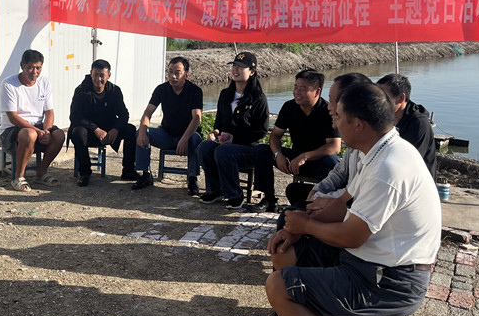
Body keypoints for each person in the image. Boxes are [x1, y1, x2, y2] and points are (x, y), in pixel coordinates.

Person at [263, 83, 441, 316]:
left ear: (358, 123)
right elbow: (343, 205)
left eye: (339, 116)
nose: (334, 122)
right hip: (370, 260)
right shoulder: (375, 152)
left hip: (391, 280)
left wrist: (306, 226)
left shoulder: (388, 167)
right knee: (285, 251)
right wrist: (297, 228)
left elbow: (351, 236)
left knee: (278, 285)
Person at [255, 72, 371, 316]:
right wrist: (316, 194)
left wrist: (321, 206)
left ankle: (292, 299)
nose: (331, 109)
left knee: (292, 217)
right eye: (295, 87)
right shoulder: (358, 145)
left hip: (359, 230)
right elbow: (341, 177)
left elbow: (349, 188)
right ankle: (289, 296)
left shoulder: (380, 155)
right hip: (340, 204)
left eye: (334, 101)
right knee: (294, 204)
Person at [251, 69, 341, 211]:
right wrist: (278, 155)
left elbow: (334, 147)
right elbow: (275, 136)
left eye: (303, 89)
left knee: (332, 161)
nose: (297, 92)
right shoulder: (289, 107)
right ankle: (269, 199)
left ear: (317, 92)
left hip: (318, 161)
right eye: (295, 87)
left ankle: (327, 203)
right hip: (294, 160)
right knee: (262, 150)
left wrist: (305, 156)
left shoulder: (327, 111)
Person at [196, 51, 269, 209]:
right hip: (225, 145)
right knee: (204, 147)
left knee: (223, 151)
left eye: (241, 67)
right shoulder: (225, 94)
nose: (235, 70)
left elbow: (261, 131)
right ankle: (215, 190)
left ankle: (235, 195)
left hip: (248, 149)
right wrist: (215, 132)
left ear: (252, 72)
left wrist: (234, 139)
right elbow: (219, 123)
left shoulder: (258, 98)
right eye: (234, 66)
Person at [132, 56, 203, 194]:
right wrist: (142, 131)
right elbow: (148, 112)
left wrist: (184, 138)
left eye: (177, 73)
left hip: (187, 136)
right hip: (167, 134)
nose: (173, 76)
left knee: (196, 138)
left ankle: (192, 177)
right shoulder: (161, 89)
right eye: (170, 72)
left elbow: (197, 118)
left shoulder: (195, 91)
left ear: (186, 75)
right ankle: (145, 174)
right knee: (142, 132)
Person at [0, 49, 66, 192]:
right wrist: (37, 131)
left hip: (38, 127)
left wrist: (46, 131)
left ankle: (41, 172)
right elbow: (13, 117)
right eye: (30, 67)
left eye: (38, 68)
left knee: (59, 135)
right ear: (22, 65)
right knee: (30, 134)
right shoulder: (9, 84)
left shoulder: (44, 82)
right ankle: (18, 177)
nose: (34, 72)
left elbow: (49, 112)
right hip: (11, 131)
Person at [69, 59, 138, 187]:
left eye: (102, 75)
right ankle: (84, 172)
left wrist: (115, 129)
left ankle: (128, 170)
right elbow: (75, 117)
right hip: (89, 132)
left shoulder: (114, 91)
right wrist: (95, 129)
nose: (98, 79)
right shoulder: (81, 91)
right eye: (95, 75)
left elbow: (124, 114)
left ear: (108, 75)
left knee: (130, 129)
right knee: (77, 132)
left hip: (109, 131)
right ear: (91, 73)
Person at [377, 73, 437, 180]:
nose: (378, 102)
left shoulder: (419, 124)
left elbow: (408, 163)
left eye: (384, 97)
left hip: (415, 182)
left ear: (401, 98)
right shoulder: (384, 117)